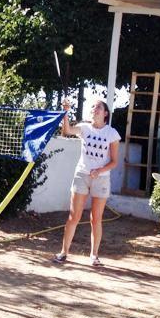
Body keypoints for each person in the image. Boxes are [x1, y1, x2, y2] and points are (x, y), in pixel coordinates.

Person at [53, 98, 121, 266]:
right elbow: (67, 130)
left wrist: (99, 171)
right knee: (73, 216)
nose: (94, 109)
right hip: (81, 175)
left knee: (95, 219)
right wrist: (66, 112)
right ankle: (64, 252)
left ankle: (94, 255)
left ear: (105, 113)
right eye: (93, 106)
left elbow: (114, 161)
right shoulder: (84, 128)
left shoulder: (111, 133)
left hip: (101, 179)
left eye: (98, 107)